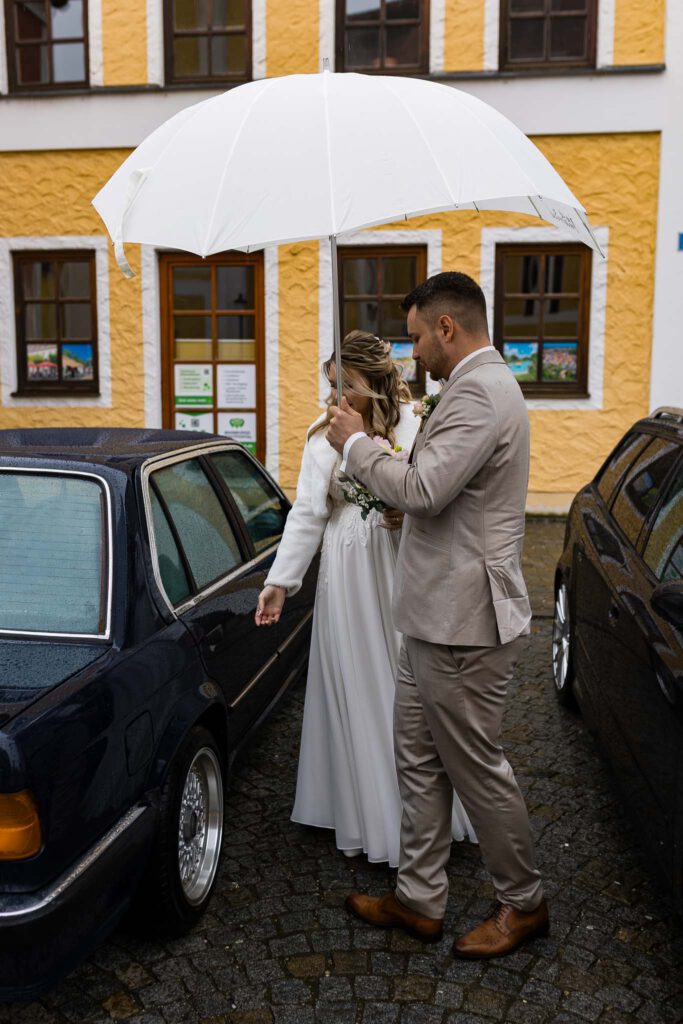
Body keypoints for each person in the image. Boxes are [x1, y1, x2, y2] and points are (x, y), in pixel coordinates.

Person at [327, 272, 548, 959]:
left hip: (464, 622)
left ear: (447, 327)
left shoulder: (480, 390)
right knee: (417, 760)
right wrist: (400, 502)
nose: (413, 351)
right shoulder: (469, 389)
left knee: (476, 770)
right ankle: (419, 899)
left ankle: (524, 902)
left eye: (418, 335)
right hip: (430, 613)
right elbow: (441, 498)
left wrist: (357, 445)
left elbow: (425, 489)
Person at [256, 330, 475, 867]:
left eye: (346, 387)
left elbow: (436, 489)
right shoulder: (320, 438)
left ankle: (427, 814)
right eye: (332, 387)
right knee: (356, 678)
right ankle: (360, 808)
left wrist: (410, 509)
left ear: (373, 383)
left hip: (402, 562)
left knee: (409, 681)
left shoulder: (415, 423)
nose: (336, 400)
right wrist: (280, 582)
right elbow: (307, 514)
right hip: (348, 572)